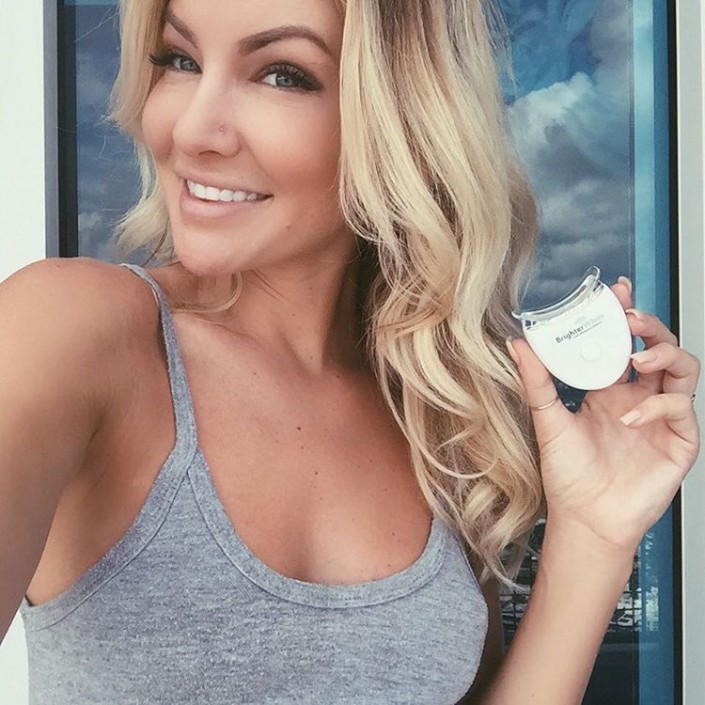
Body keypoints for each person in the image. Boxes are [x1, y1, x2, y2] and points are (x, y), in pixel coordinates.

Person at [0, 0, 699, 702]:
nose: (190, 130)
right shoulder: (67, 332)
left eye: (281, 74)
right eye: (179, 60)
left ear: (402, 116)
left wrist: (595, 534)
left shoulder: (442, 420)